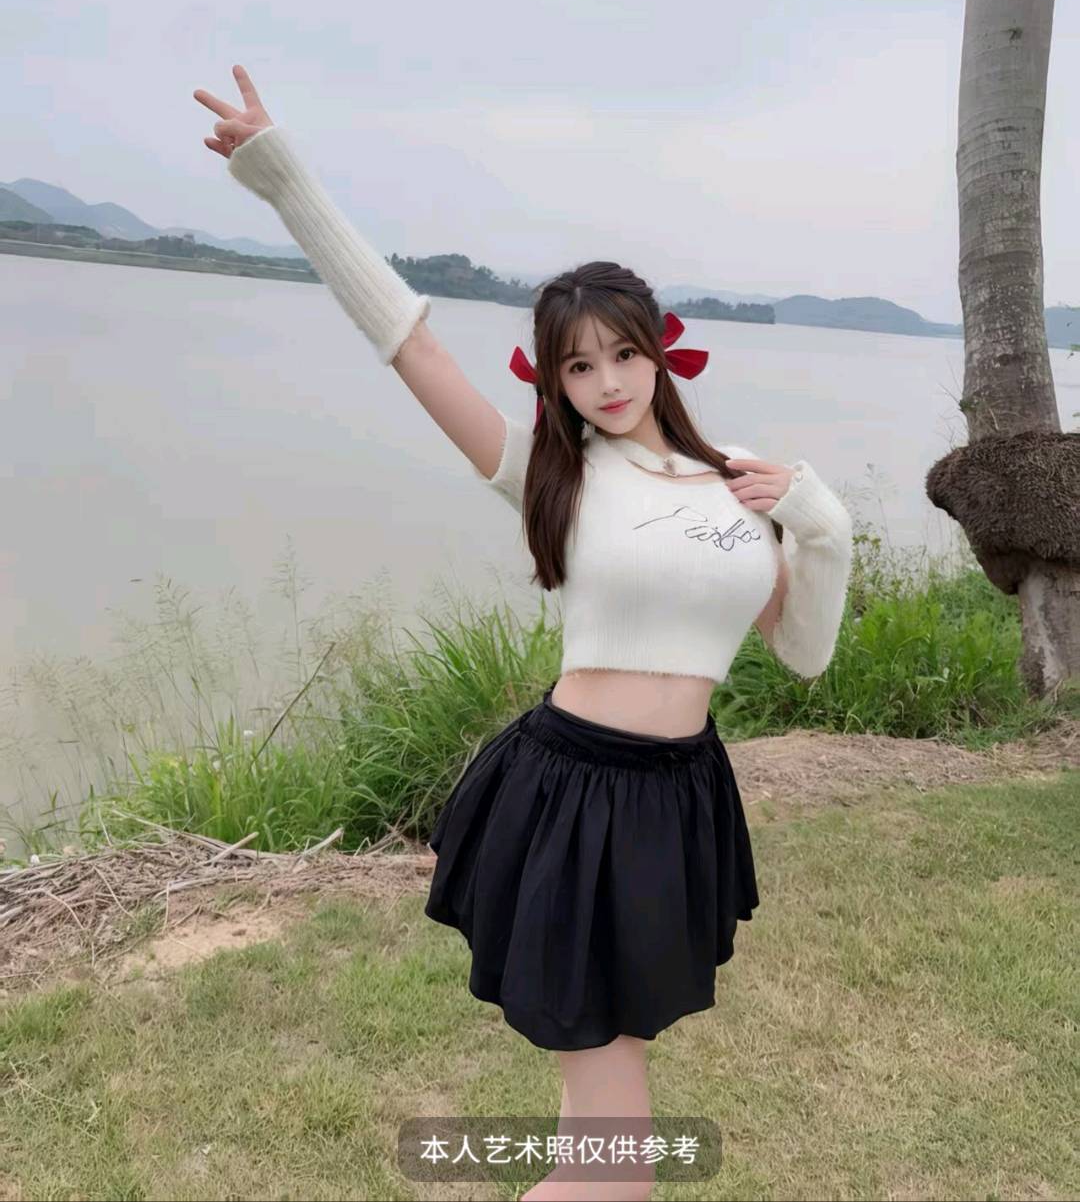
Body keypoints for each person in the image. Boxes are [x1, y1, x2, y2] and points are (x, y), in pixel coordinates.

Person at [195, 64, 854, 1202]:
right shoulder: (552, 472)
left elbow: (805, 652)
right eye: (578, 364)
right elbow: (412, 346)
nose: (607, 381)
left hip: (681, 796)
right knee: (620, 1152)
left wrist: (823, 522)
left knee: (602, 1087)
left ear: (660, 349)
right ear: (555, 378)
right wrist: (286, 181)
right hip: (570, 794)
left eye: (623, 353)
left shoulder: (741, 477)